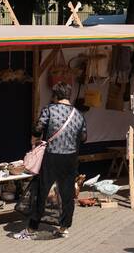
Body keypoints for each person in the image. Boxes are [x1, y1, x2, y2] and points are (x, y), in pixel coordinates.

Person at [14, 81, 87, 240]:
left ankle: (32, 228)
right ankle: (64, 228)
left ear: (55, 95)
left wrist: (36, 139)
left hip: (52, 156)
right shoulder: (78, 114)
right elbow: (84, 137)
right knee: (67, 193)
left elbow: (37, 128)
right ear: (69, 95)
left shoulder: (49, 110)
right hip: (71, 158)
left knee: (42, 190)